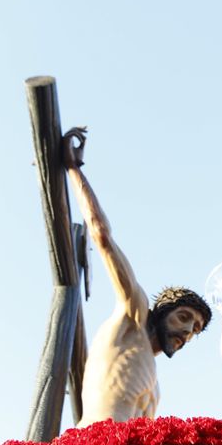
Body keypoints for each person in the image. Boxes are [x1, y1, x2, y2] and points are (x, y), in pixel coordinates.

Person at [65, 142, 210, 424]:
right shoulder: (133, 316)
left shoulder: (155, 384)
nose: (186, 331)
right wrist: (73, 168)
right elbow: (101, 234)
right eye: (183, 317)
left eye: (195, 328)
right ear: (161, 311)